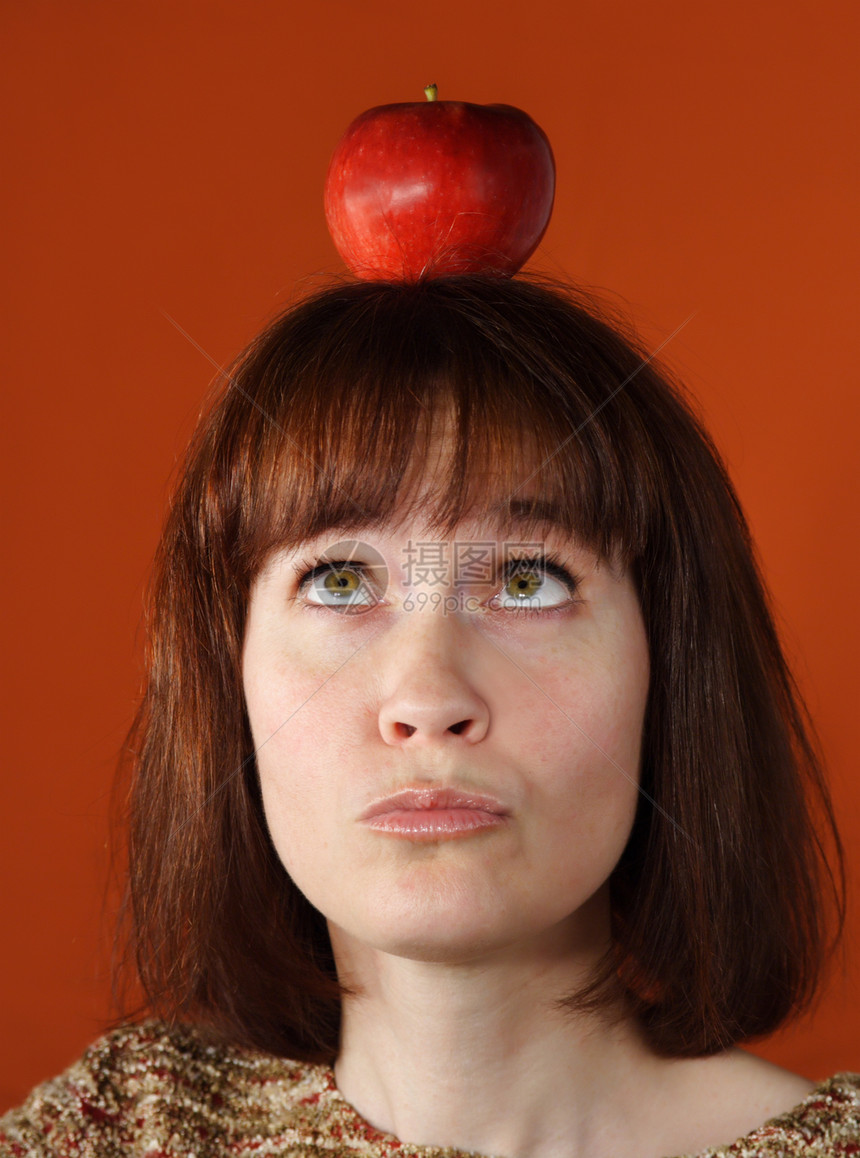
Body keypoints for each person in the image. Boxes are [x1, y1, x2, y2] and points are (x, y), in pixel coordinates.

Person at [1, 274, 857, 1157]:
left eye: (529, 580)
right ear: (230, 680)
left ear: (670, 669)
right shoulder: (114, 1133)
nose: (428, 700)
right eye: (339, 581)